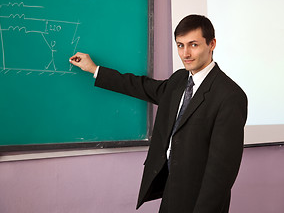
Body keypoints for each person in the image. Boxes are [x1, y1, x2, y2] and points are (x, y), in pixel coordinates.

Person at [69, 14, 248, 213]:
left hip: (200, 200)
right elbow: (142, 86)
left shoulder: (230, 96)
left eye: (193, 45)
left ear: (212, 44)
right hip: (171, 190)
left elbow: (221, 174)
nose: (185, 53)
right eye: (180, 45)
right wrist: (95, 69)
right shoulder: (180, 80)